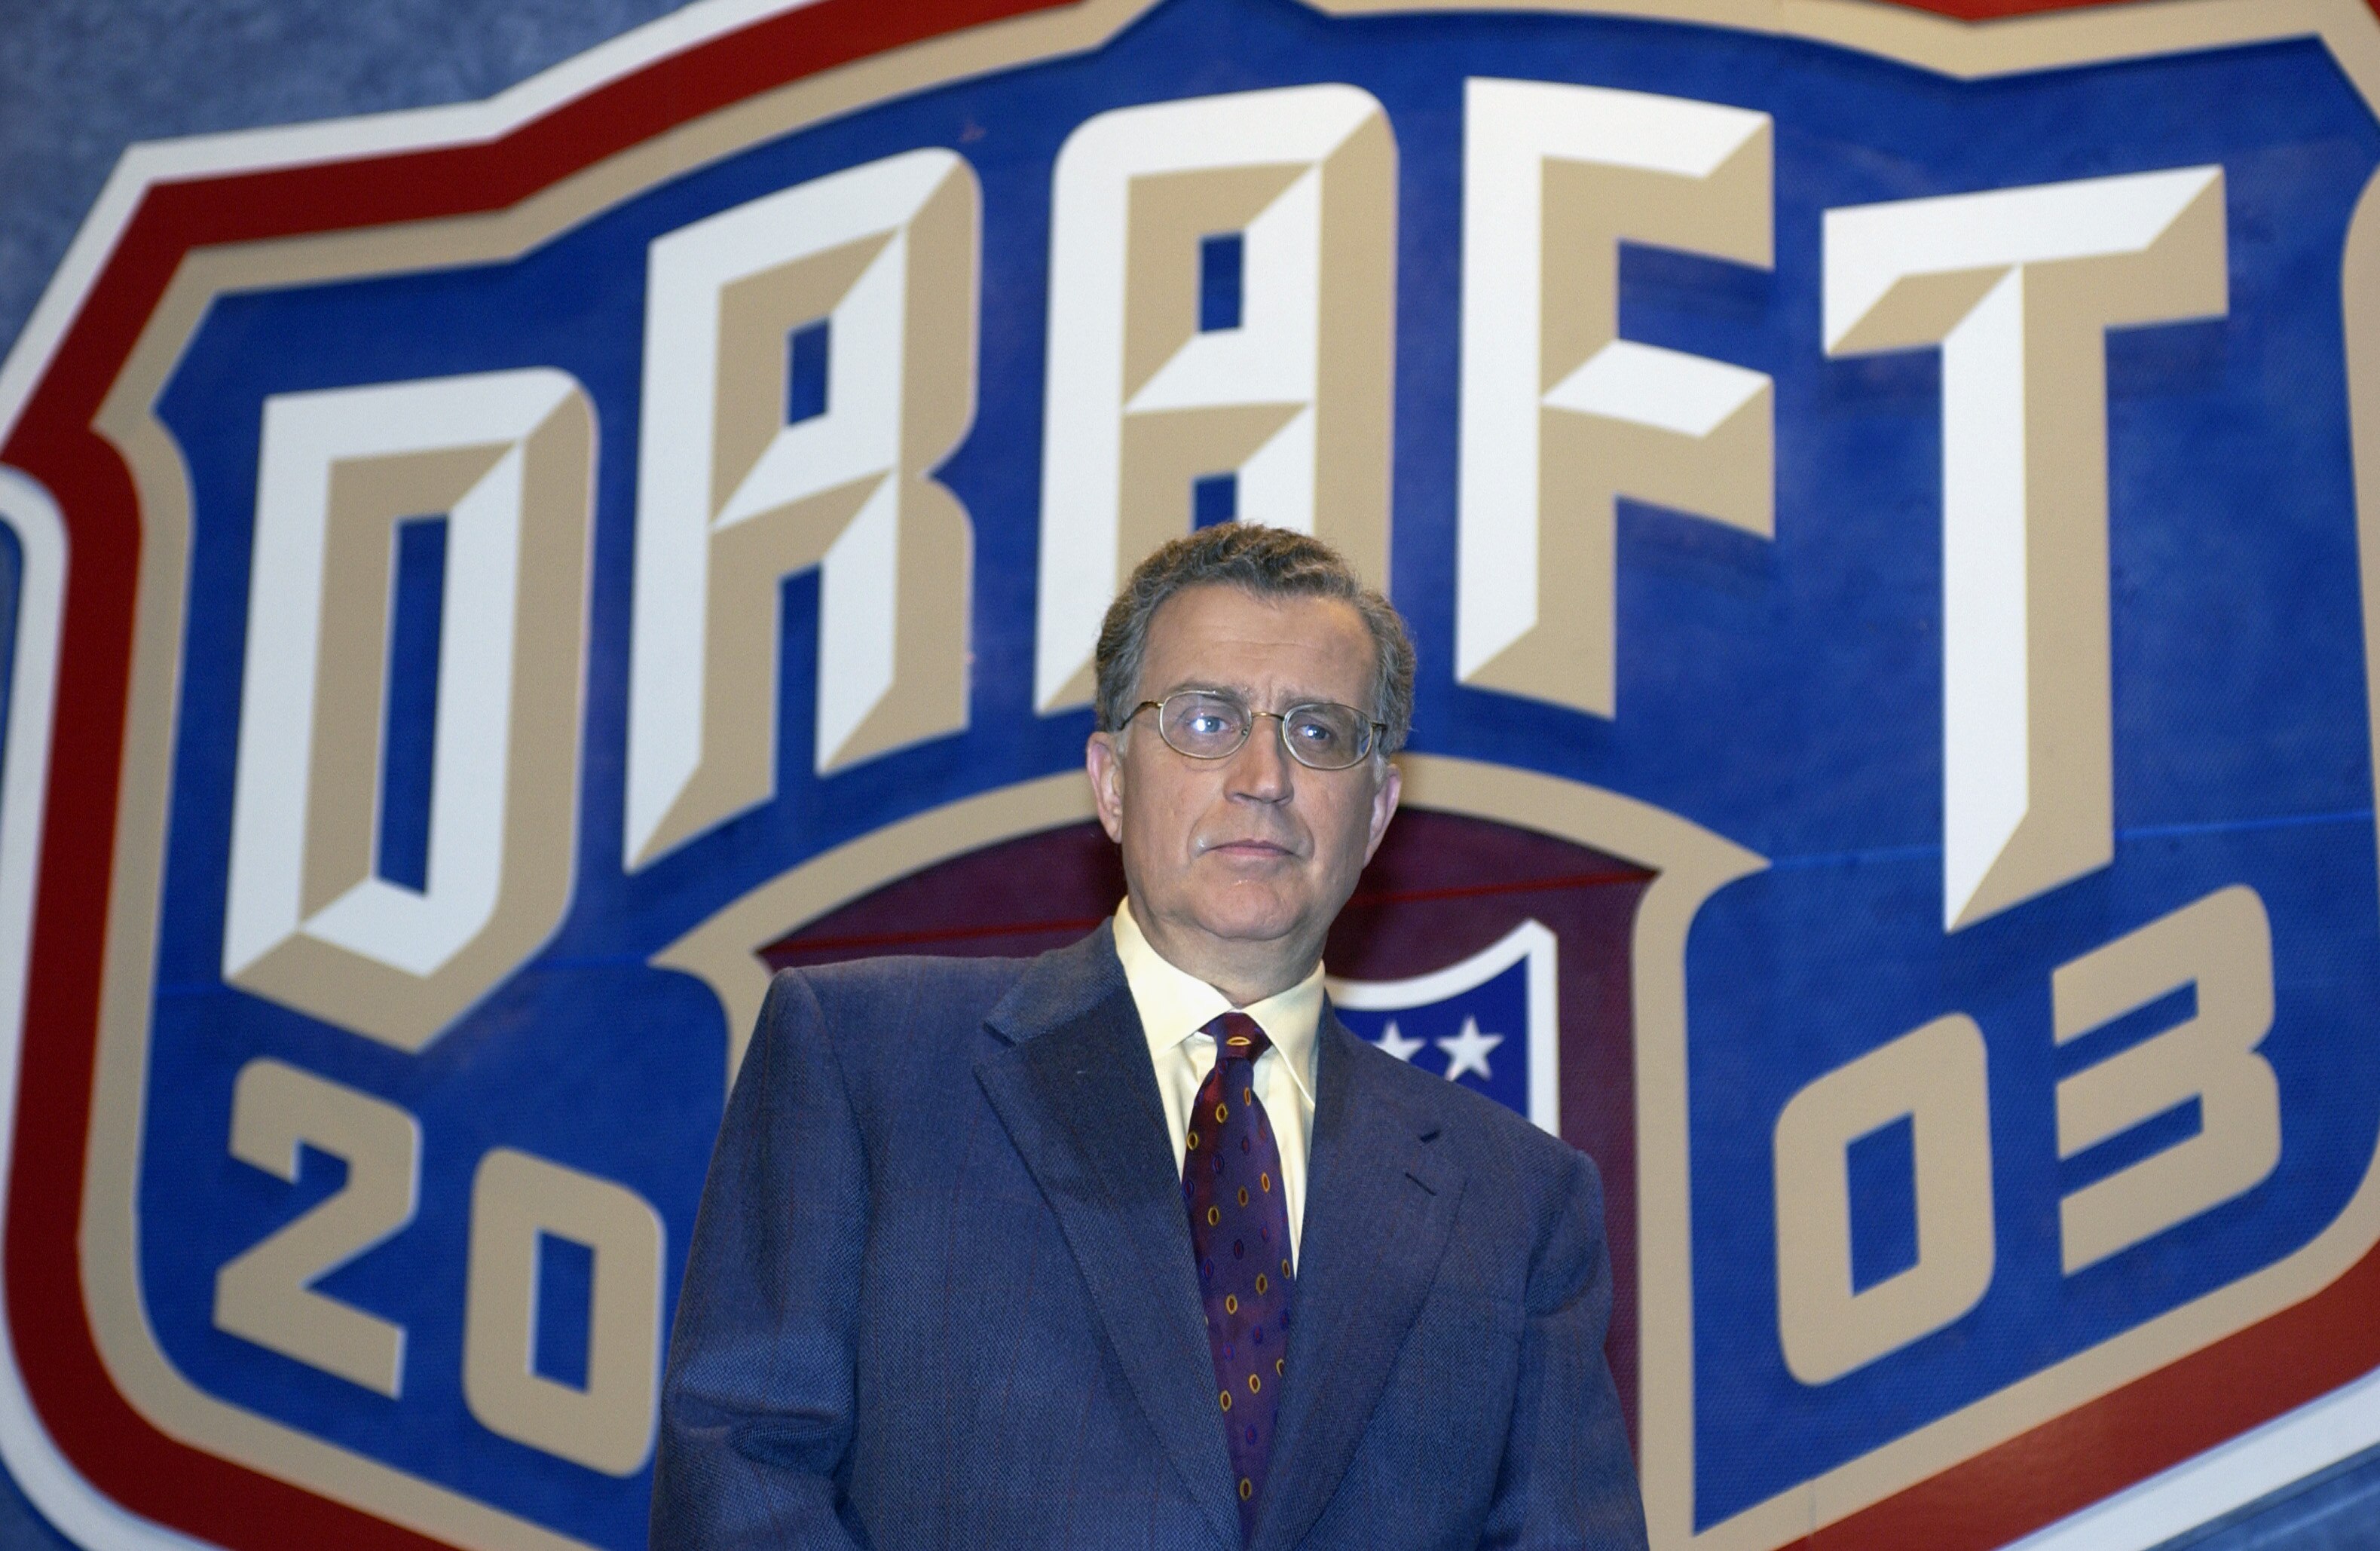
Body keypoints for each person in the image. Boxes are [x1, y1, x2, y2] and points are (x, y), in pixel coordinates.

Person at [650, 523, 1647, 1549]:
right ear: (1111, 780)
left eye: (1318, 732)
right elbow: (741, 1477)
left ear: (1379, 808)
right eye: (1206, 719)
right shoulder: (865, 1061)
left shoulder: (1519, 1198)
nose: (1262, 773)